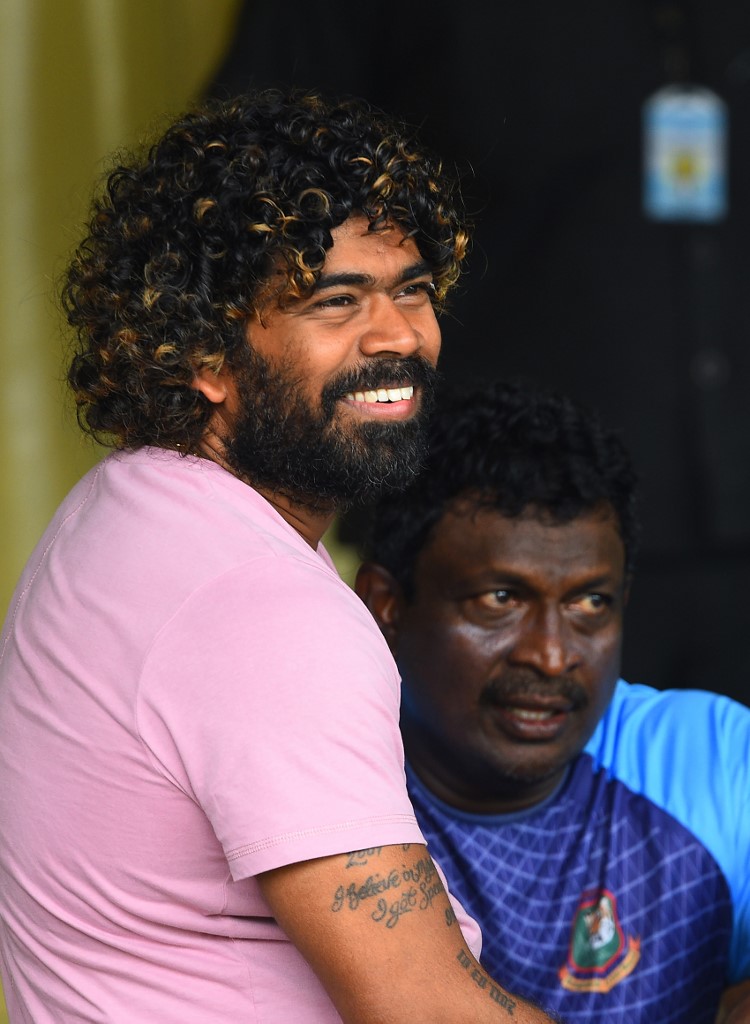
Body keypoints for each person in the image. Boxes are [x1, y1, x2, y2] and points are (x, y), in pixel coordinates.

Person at [0, 91, 555, 1023]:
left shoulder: (125, 504)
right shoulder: (260, 609)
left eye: (412, 289)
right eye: (335, 302)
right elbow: (429, 1013)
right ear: (203, 355)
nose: (398, 338)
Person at [355, 379, 750, 1024]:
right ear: (385, 605)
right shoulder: (326, 787)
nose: (551, 654)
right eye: (500, 600)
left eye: (590, 603)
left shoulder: (708, 756)